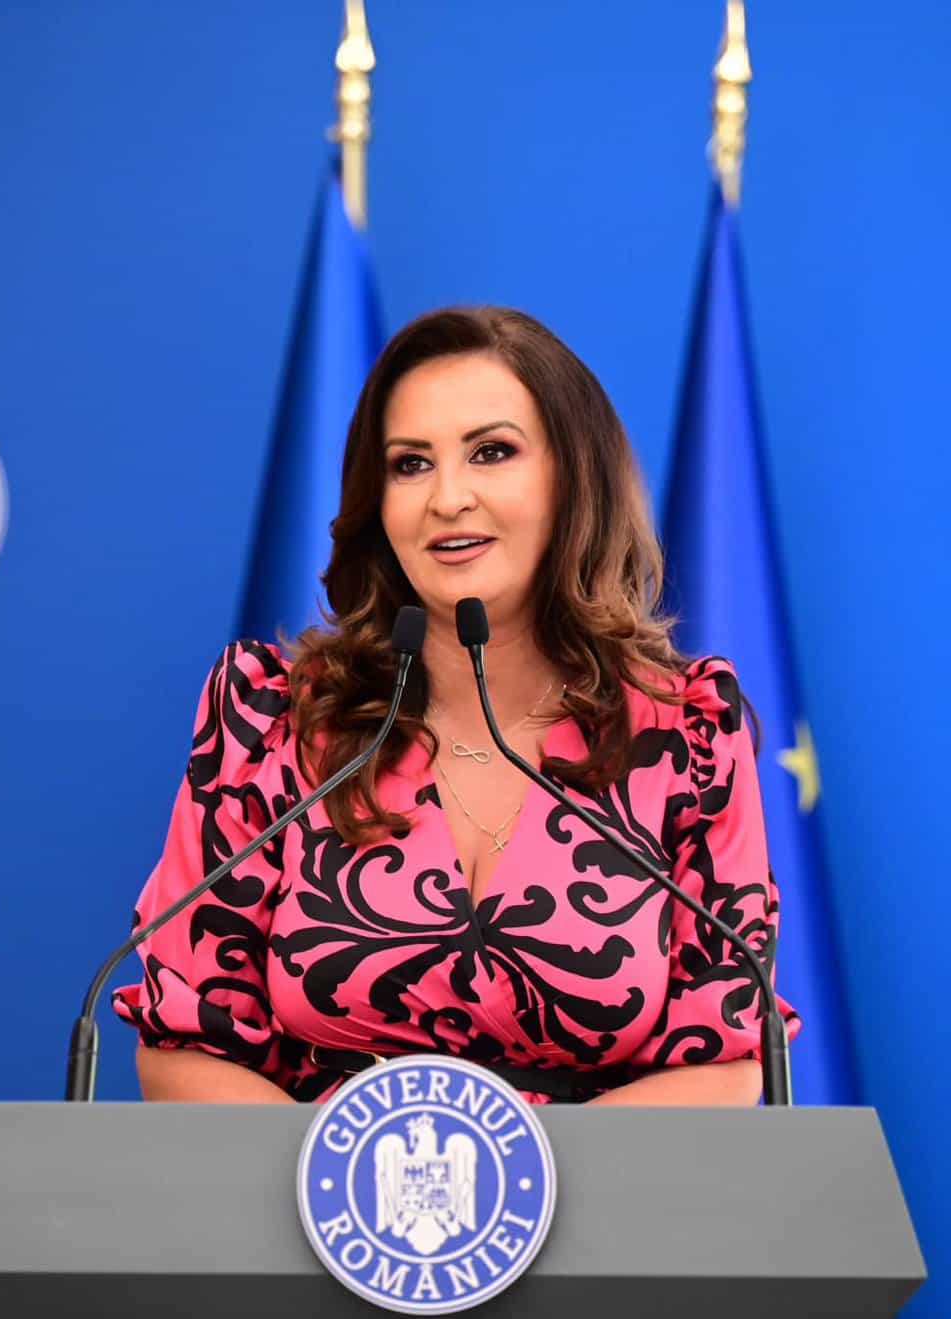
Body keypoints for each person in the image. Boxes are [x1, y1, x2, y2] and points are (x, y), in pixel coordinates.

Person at [115, 306, 798, 1106]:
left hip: (615, 1184)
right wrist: (348, 1172)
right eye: (410, 464)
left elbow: (726, 1054)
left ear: (574, 477)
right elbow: (184, 1040)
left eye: (491, 452)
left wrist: (513, 1175)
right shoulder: (273, 721)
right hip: (312, 1180)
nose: (446, 498)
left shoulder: (685, 734)